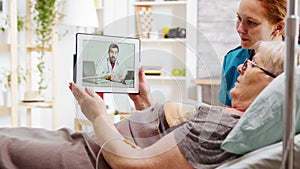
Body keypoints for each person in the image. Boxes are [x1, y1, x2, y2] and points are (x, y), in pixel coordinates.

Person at [68, 40, 287, 169]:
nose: (240, 67)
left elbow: (134, 164)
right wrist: (145, 104)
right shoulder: (231, 118)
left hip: (90, 152)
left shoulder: (221, 127)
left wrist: (98, 116)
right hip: (92, 142)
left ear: (273, 83)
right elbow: (167, 143)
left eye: (251, 64)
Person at [218, 0, 286, 107]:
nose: (240, 29)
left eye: (251, 22)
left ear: (278, 27)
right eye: (239, 18)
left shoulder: (295, 63)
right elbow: (229, 114)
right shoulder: (232, 60)